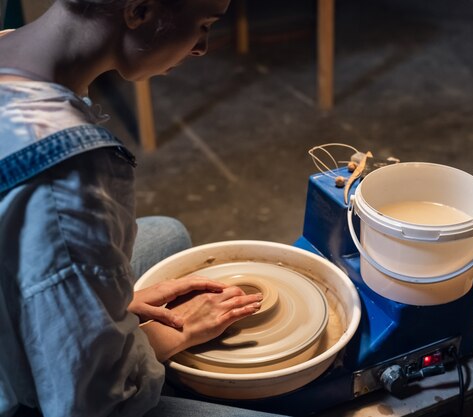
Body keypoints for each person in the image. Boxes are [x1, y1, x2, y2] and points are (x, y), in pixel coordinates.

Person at [0, 1, 281, 416]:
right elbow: (92, 399)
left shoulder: (10, 49)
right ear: (139, 11)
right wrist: (178, 333)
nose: (202, 47)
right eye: (203, 24)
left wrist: (116, 304)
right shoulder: (66, 174)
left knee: (167, 233)